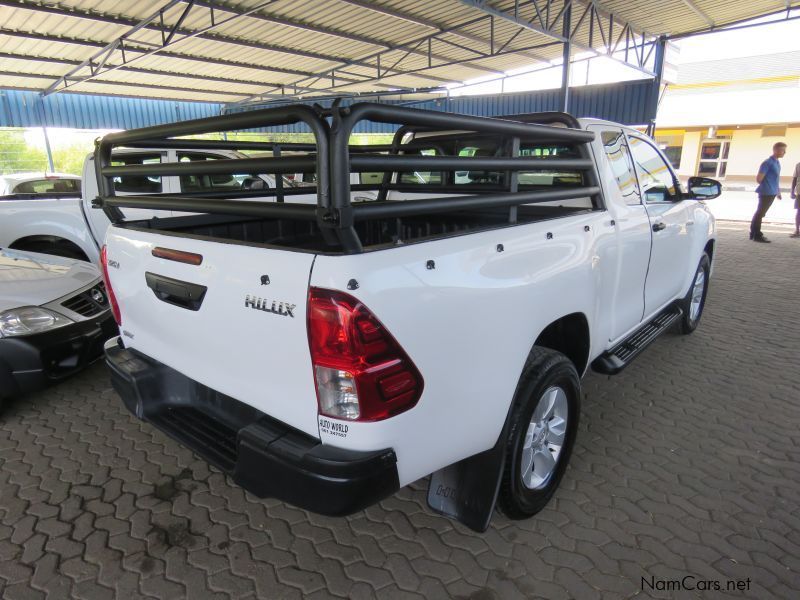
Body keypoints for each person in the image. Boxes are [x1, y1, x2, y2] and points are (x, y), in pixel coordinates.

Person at [751, 142, 786, 243]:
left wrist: (778, 191)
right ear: (776, 150)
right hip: (766, 192)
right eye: (783, 150)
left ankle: (754, 233)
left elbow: (776, 178)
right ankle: (756, 235)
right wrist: (768, 185)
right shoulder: (767, 162)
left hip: (772, 192)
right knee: (760, 213)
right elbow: (759, 178)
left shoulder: (777, 162)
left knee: (761, 213)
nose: (784, 152)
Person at [791, 161, 800, 238]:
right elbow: (794, 179)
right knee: (799, 212)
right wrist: (792, 191)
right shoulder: (798, 165)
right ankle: (797, 230)